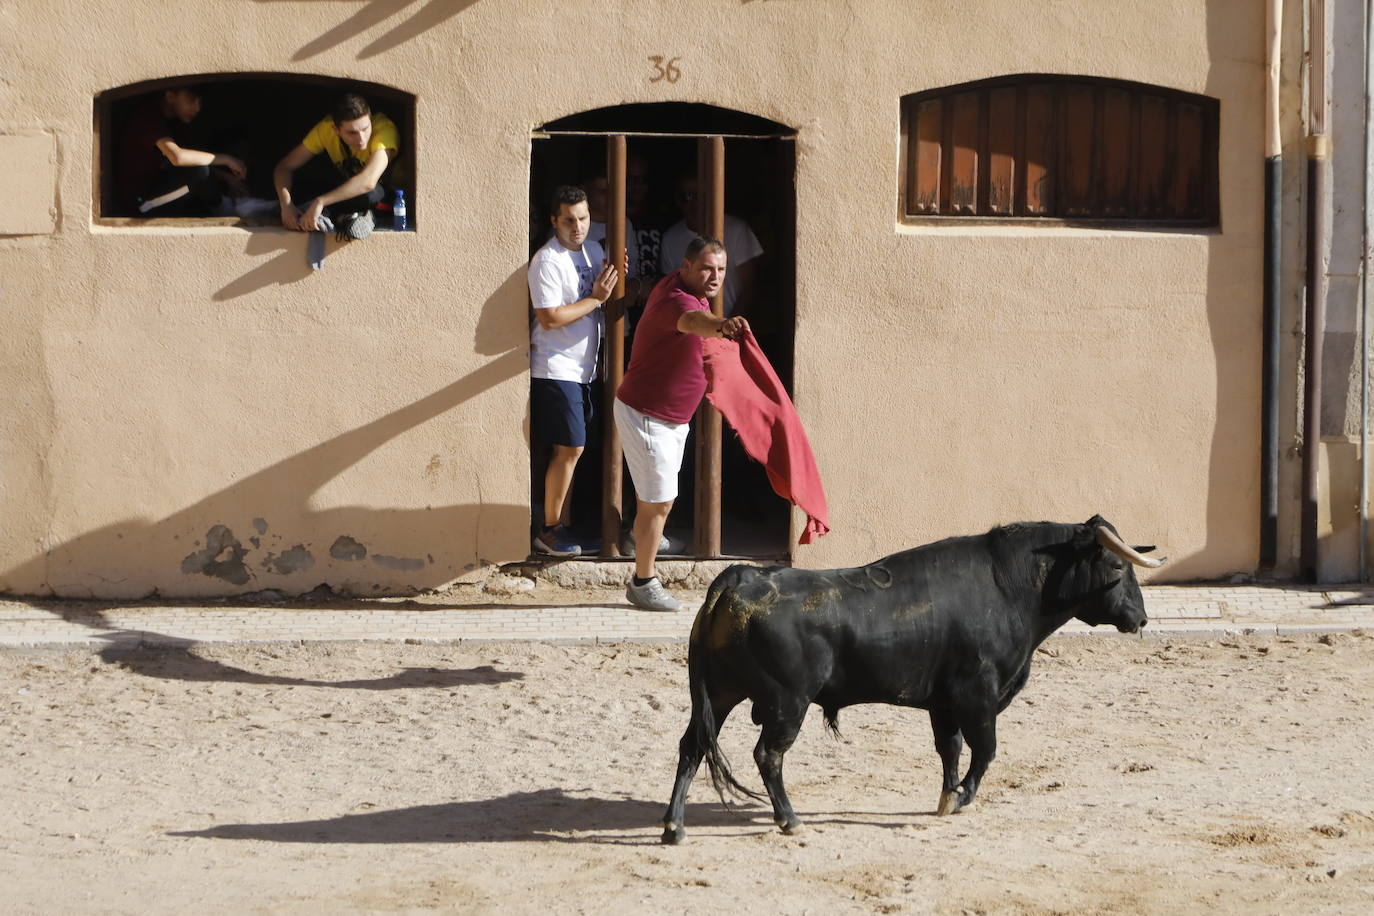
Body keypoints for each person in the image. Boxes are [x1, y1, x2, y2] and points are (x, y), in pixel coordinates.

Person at [615, 235, 748, 611]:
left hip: (669, 417)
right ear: (686, 266)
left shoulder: (677, 284)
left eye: (721, 269)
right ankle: (643, 581)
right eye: (707, 267)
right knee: (659, 501)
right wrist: (723, 325)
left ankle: (646, 538)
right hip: (648, 415)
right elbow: (696, 322)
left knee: (658, 500)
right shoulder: (678, 299)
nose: (715, 276)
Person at [528, 186, 619, 557]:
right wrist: (596, 298)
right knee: (570, 447)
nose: (578, 226)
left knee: (575, 451)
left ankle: (564, 525)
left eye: (583, 218)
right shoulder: (546, 261)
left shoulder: (592, 251)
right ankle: (548, 530)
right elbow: (549, 318)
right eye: (569, 219)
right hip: (555, 366)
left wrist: (617, 280)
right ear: (554, 221)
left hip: (586, 370)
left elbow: (608, 291)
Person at [273, 93, 398, 239]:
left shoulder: (385, 129)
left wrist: (321, 202)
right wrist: (286, 205)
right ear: (336, 129)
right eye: (352, 133)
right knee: (304, 183)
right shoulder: (325, 129)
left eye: (365, 128)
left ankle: (351, 216)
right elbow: (284, 167)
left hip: (381, 194)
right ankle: (345, 217)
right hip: (344, 191)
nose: (361, 138)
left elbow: (368, 182)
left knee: (370, 194)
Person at [117, 85, 247, 216]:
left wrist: (226, 178)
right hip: (139, 206)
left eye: (200, 102)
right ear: (170, 97)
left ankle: (225, 204)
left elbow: (184, 162)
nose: (197, 108)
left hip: (158, 192)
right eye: (191, 100)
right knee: (198, 169)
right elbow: (177, 157)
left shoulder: (174, 122)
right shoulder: (148, 117)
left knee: (197, 164)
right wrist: (227, 159)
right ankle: (223, 208)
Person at [657, 176, 763, 317]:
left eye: (700, 196)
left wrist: (728, 327)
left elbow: (749, 286)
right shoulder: (671, 238)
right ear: (678, 201)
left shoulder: (737, 230)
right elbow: (671, 290)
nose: (695, 202)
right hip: (690, 330)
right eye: (688, 196)